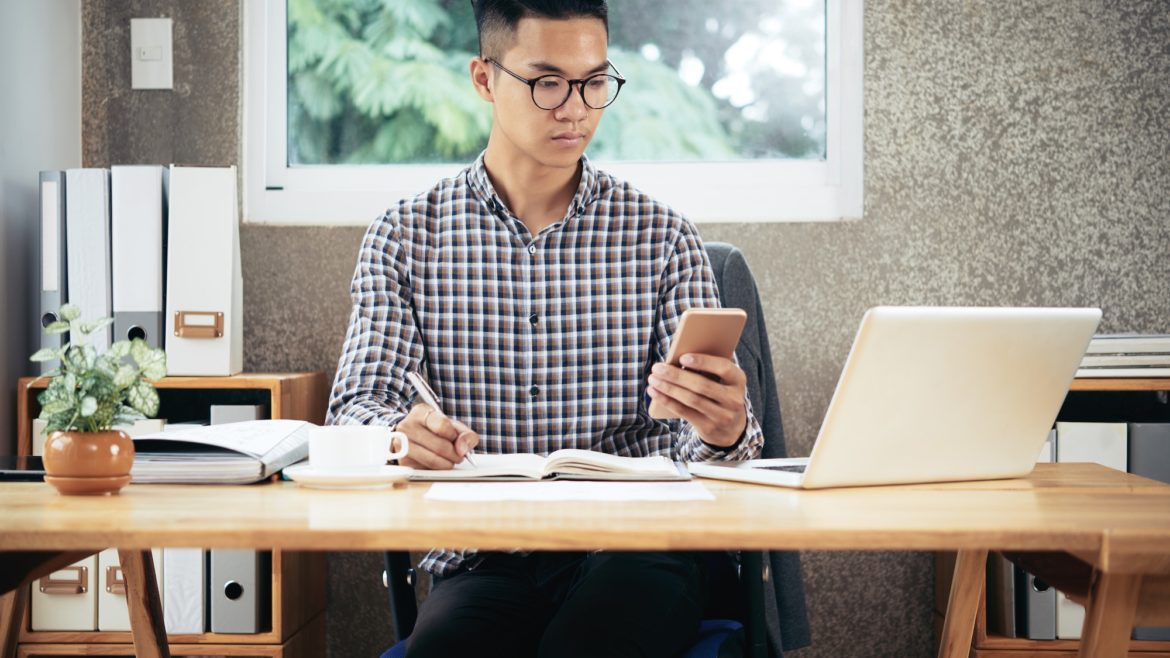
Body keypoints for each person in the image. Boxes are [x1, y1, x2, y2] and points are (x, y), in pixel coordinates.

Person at [326, 1, 764, 656]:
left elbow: (713, 461)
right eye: (548, 82)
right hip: (485, 558)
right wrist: (396, 438)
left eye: (595, 82)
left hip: (636, 547)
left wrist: (725, 429)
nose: (577, 108)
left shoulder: (661, 236)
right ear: (484, 79)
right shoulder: (404, 237)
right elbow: (352, 409)